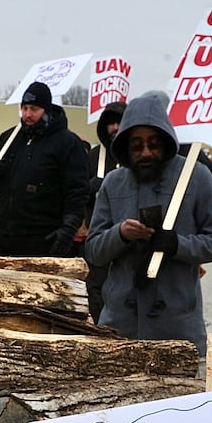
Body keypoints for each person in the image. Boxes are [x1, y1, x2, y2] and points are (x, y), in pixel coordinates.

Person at [85, 93, 212, 357]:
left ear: (166, 141)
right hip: (121, 325)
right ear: (125, 146)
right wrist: (120, 234)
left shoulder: (195, 177)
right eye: (137, 145)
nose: (146, 152)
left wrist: (177, 244)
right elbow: (94, 250)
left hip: (177, 327)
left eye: (153, 144)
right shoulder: (113, 182)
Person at [0, 81, 89, 258]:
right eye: (25, 108)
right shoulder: (9, 138)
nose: (28, 114)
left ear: (46, 109)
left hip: (42, 237)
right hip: (3, 233)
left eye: (34, 109)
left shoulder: (67, 143)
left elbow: (77, 192)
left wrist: (68, 230)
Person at [84, 100, 125, 322]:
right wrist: (91, 186)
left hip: (128, 243)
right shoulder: (94, 157)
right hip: (98, 241)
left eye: (120, 122)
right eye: (110, 123)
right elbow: (77, 192)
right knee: (95, 296)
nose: (115, 128)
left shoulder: (134, 158)